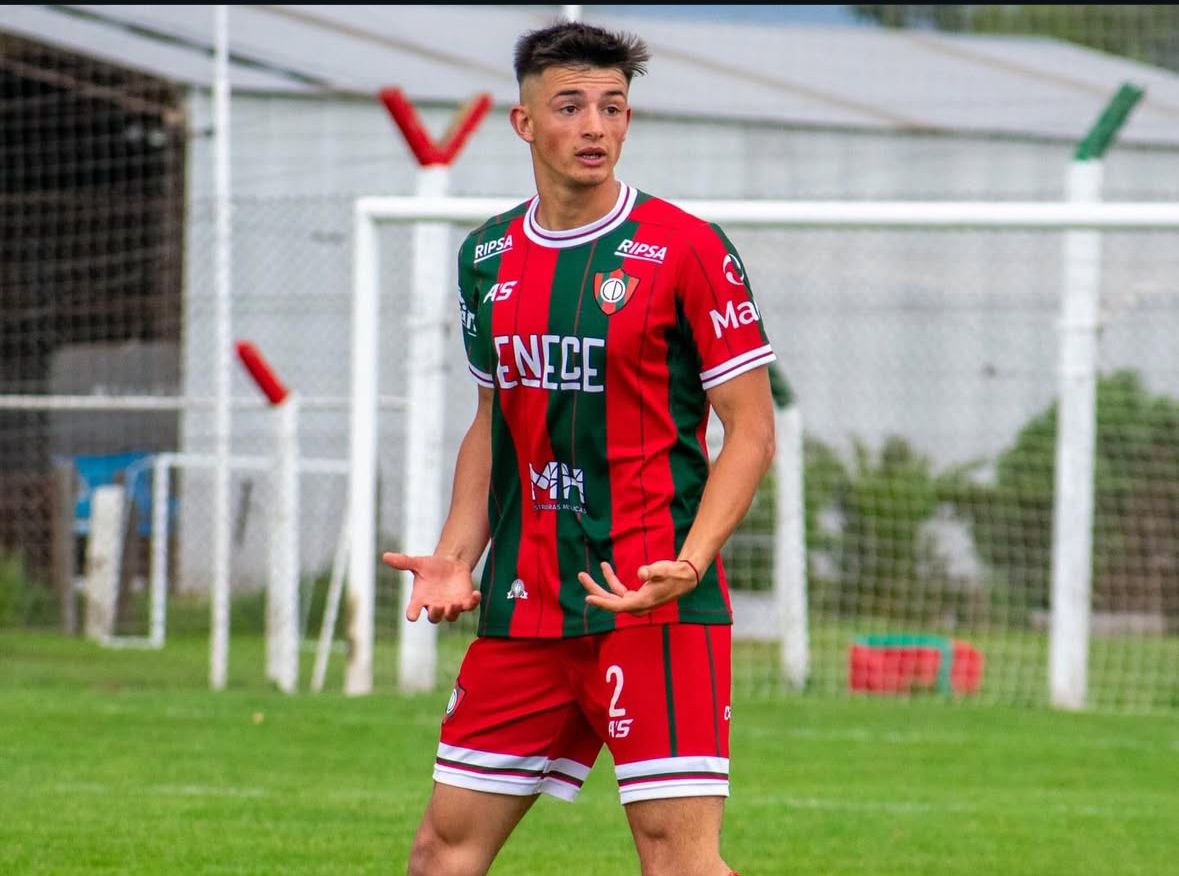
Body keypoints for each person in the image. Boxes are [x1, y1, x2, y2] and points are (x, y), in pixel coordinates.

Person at [383, 19, 777, 876]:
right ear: (524, 122)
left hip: (651, 602)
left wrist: (691, 560)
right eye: (570, 106)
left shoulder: (687, 248)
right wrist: (455, 555)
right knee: (441, 851)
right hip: (525, 607)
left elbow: (750, 428)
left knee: (676, 859)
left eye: (612, 106)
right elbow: (494, 420)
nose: (595, 126)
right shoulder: (486, 256)